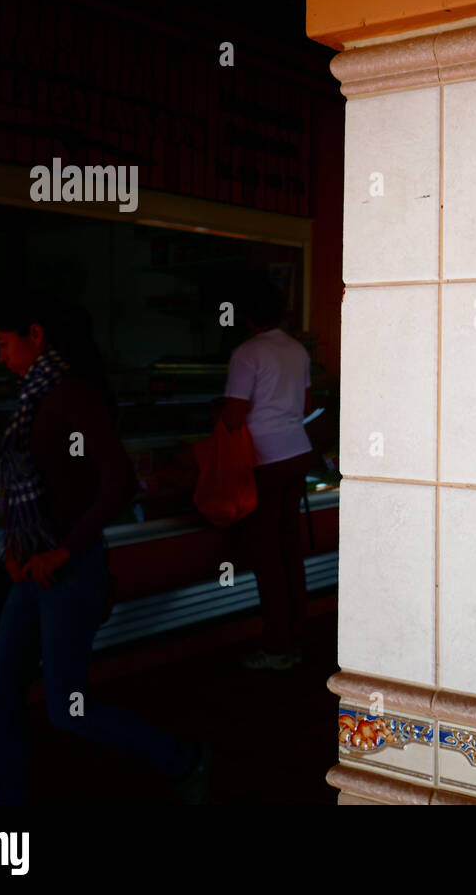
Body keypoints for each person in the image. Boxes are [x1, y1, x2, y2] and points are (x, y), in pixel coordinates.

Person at [0, 292, 210, 803]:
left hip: (70, 569)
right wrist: (18, 550)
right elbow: (35, 489)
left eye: (4, 344)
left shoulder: (70, 396)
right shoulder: (37, 397)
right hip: (34, 571)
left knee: (66, 707)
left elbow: (117, 484)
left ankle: (184, 759)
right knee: (1, 694)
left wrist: (63, 552)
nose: (1, 358)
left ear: (36, 336)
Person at [222, 278, 314, 672]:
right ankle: (297, 636)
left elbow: (233, 414)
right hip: (297, 452)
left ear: (247, 316)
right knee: (289, 549)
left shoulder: (247, 352)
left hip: (265, 460)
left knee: (266, 554)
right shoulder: (297, 350)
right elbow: (306, 402)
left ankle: (278, 647)